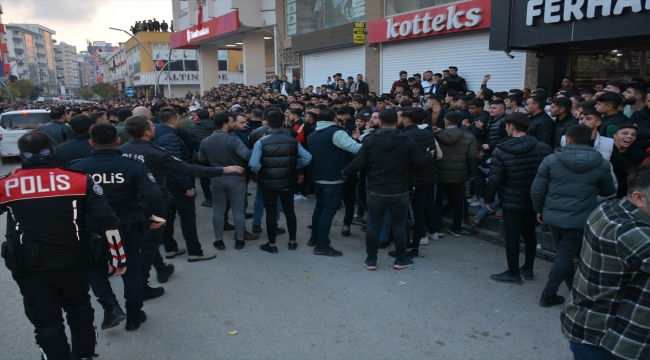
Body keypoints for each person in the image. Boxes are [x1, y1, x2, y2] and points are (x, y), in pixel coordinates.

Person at [0, 131, 124, 359]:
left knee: (46, 324)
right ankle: (84, 355)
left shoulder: (7, 185)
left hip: (29, 266)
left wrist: (12, 176)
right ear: (52, 151)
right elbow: (108, 219)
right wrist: (118, 258)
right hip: (73, 262)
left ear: (22, 155)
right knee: (79, 312)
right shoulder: (78, 180)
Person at [119, 115, 238, 300]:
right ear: (147, 131)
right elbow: (186, 168)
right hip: (154, 204)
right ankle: (142, 285)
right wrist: (222, 170)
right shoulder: (155, 151)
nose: (156, 128)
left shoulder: (121, 150)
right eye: (152, 125)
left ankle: (161, 267)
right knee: (149, 243)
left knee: (150, 238)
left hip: (131, 203)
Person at [68, 123, 166, 331]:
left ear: (91, 143)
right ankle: (133, 315)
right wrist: (156, 217)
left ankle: (110, 306)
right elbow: (154, 195)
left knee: (94, 268)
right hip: (127, 226)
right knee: (130, 269)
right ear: (118, 141)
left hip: (92, 228)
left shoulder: (77, 167)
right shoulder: (132, 166)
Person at [560, 164, 650, 360]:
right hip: (605, 336)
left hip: (586, 321)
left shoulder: (610, 208)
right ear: (638, 198)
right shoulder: (630, 232)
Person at [531, 124, 616, 306]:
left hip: (553, 215)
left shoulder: (551, 160)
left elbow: (537, 190)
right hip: (581, 217)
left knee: (563, 254)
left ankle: (550, 293)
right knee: (565, 254)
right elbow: (608, 189)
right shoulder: (601, 162)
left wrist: (539, 210)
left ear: (568, 139)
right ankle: (560, 292)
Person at [342, 109, 436, 270]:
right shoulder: (407, 140)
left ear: (381, 121)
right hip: (400, 190)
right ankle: (400, 260)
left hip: (376, 190)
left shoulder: (370, 140)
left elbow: (359, 163)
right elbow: (419, 162)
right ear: (396, 121)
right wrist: (429, 155)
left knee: (373, 225)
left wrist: (345, 172)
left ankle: (371, 260)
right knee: (399, 225)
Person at [483, 113, 553, 284]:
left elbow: (495, 179)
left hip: (512, 199)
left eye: (506, 126)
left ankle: (513, 272)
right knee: (530, 234)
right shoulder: (544, 148)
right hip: (534, 199)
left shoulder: (501, 150)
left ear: (511, 126)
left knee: (512, 236)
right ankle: (528, 268)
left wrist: (488, 198)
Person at [153, 107, 216, 263]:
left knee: (167, 216)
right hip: (175, 184)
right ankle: (194, 251)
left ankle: (170, 248)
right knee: (187, 218)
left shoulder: (157, 134)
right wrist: (188, 185)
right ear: (174, 121)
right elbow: (176, 165)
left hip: (163, 183)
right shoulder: (171, 138)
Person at [249, 111, 312, 253]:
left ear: (267, 122)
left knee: (271, 213)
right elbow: (307, 158)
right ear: (283, 122)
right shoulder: (292, 140)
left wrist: (262, 171)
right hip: (288, 181)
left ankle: (272, 245)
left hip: (268, 182)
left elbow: (253, 164)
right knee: (290, 211)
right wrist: (295, 166)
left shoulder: (261, 142)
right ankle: (292, 241)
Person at [306, 108, 361, 255]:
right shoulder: (337, 133)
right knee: (328, 212)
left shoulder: (312, 135)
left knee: (319, 209)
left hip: (319, 178)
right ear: (334, 119)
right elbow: (356, 149)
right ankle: (322, 244)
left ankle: (315, 238)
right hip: (334, 179)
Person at [198, 113, 254, 251]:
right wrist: (260, 145)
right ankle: (240, 239)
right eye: (231, 121)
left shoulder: (206, 141)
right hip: (236, 179)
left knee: (218, 210)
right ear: (224, 124)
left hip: (217, 179)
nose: (233, 123)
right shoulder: (232, 140)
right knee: (238, 210)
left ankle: (219, 240)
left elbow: (201, 159)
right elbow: (246, 155)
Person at [396, 109, 441, 257]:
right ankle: (415, 245)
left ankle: (409, 248)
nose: (396, 120)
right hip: (427, 179)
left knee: (407, 214)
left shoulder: (404, 136)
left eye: (398, 118)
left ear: (406, 120)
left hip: (412, 181)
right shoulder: (427, 133)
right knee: (419, 213)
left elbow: (410, 161)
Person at [435, 112, 478, 236]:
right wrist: (472, 174)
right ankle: (457, 227)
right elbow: (472, 158)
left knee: (437, 201)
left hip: (440, 173)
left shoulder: (437, 135)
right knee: (459, 202)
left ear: (446, 121)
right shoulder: (469, 137)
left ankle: (437, 227)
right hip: (459, 174)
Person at [188, 109, 216, 207]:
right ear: (208, 116)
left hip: (199, 156)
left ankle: (208, 198)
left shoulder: (193, 128)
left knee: (204, 178)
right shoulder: (215, 126)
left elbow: (190, 142)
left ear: (198, 117)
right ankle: (218, 197)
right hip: (214, 155)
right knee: (216, 176)